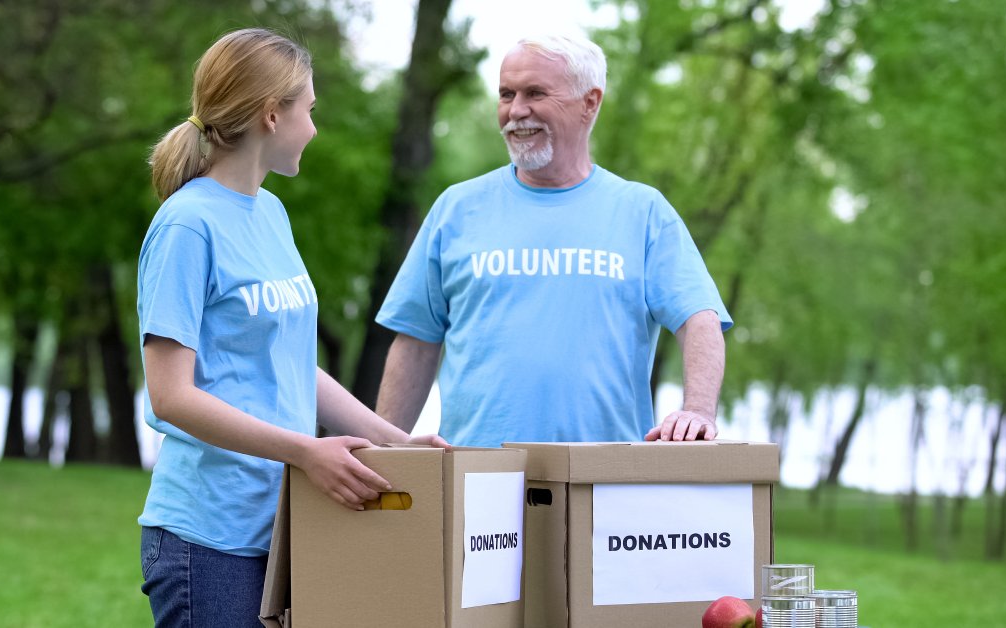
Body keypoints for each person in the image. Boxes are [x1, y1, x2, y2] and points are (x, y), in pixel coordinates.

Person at [136, 28, 446, 627]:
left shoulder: (271, 213)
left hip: (284, 523)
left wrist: (397, 441)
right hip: (208, 538)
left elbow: (290, 363)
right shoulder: (187, 226)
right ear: (271, 115)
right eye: (309, 109)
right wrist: (306, 451)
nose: (313, 126)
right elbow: (170, 396)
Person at [374, 34, 732, 448]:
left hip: (605, 482)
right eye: (506, 94)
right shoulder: (457, 208)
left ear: (590, 102)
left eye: (535, 93)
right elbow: (416, 342)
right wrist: (388, 453)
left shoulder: (643, 211)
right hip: (477, 476)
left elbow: (700, 319)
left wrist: (699, 411)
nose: (516, 111)